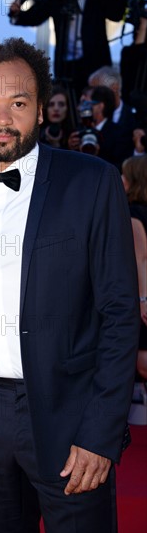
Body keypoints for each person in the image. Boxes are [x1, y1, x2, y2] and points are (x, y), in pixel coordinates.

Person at [0, 36, 139, 533]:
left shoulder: (92, 182)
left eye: (19, 103)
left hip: (71, 413)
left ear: (41, 108)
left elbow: (120, 312)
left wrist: (100, 433)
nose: (2, 118)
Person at [8, 0, 126, 98]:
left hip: (95, 64)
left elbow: (116, 14)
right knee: (67, 103)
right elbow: (36, 16)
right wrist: (16, 13)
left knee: (96, 103)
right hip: (66, 67)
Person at [122, 155, 147, 381]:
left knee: (141, 364)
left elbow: (140, 259)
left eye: (125, 175)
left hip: (143, 301)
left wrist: (141, 300)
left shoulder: (133, 215)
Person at [39, 84, 73, 148]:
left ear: (67, 108)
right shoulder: (34, 136)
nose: (56, 109)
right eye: (51, 104)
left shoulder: (74, 136)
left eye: (61, 104)